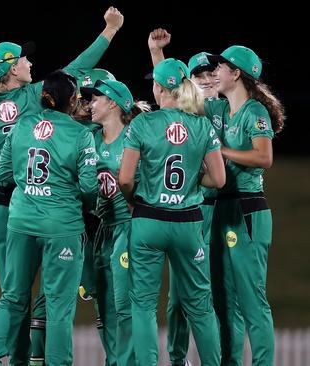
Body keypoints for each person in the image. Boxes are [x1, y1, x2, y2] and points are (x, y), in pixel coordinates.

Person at [0, 7, 124, 366]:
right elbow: (79, 66)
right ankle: (19, 360)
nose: (29, 62)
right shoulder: (34, 98)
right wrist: (110, 31)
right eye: (23, 58)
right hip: (13, 205)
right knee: (17, 292)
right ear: (10, 68)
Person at [0, 69, 98, 366]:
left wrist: (31, 185)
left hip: (21, 223)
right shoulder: (81, 134)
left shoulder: (21, 126)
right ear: (71, 102)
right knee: (59, 307)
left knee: (12, 296)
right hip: (62, 227)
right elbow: (89, 188)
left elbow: (4, 173)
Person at [118, 58, 225, 366]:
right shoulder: (202, 125)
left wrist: (133, 196)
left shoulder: (142, 124)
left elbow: (125, 178)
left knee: (143, 305)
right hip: (188, 223)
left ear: (158, 88)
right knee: (200, 306)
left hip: (149, 219)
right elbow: (218, 179)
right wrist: (193, 179)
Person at [147, 28, 244, 366]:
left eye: (209, 72)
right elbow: (167, 86)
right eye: (197, 74)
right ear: (188, 81)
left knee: (222, 295)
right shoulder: (197, 111)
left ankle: (222, 360)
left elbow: (167, 89)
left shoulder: (227, 108)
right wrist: (157, 54)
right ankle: (178, 358)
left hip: (219, 209)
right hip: (194, 210)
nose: (204, 78)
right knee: (180, 299)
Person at [28, 68, 115, 366]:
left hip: (105, 230)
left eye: (96, 97)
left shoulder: (126, 133)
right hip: (68, 226)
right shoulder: (65, 132)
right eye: (83, 97)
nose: (88, 104)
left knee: (109, 302)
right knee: (49, 299)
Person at [204, 45, 285, 366]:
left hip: (248, 211)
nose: (214, 74)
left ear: (237, 73)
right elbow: (177, 97)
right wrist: (157, 53)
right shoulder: (220, 110)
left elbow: (264, 157)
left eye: (219, 68)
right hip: (222, 211)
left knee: (252, 301)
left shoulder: (255, 113)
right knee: (224, 302)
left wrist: (221, 151)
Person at [79, 79, 150, 366]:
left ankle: (129, 362)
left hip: (129, 225)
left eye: (95, 99)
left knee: (124, 304)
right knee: (104, 306)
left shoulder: (136, 137)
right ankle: (115, 360)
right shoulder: (89, 137)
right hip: (101, 229)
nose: (89, 104)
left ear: (112, 103)